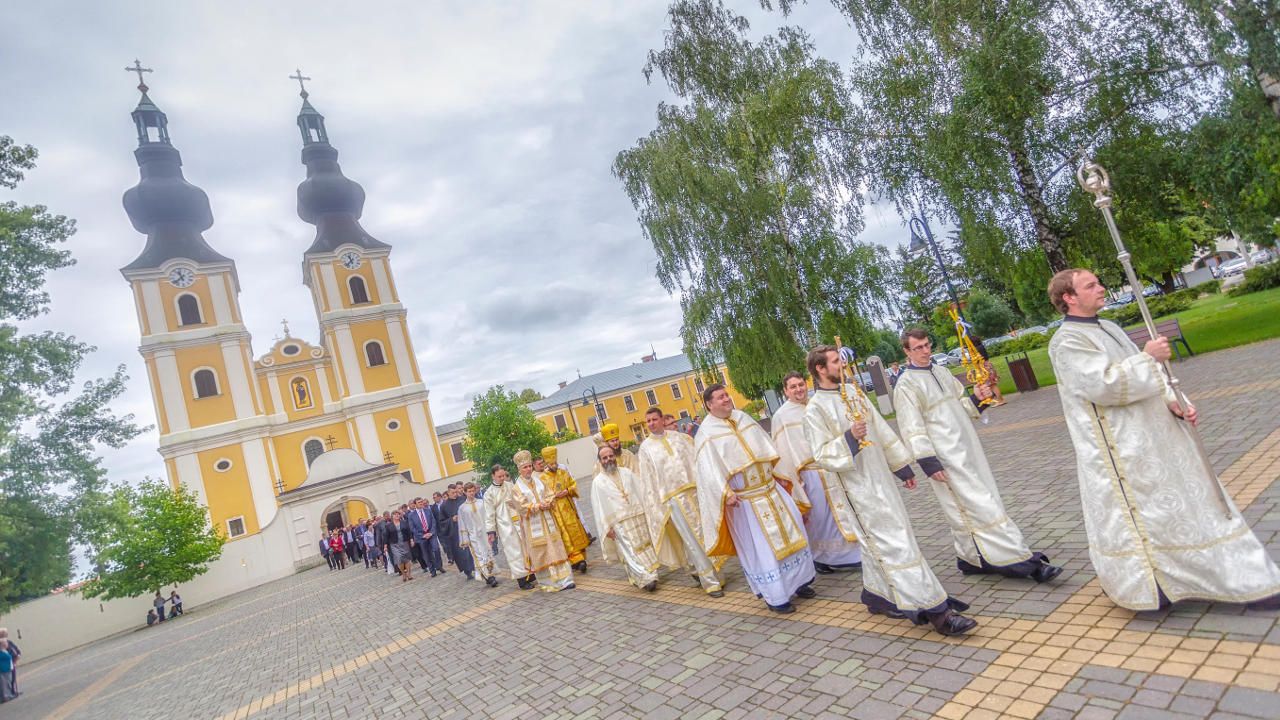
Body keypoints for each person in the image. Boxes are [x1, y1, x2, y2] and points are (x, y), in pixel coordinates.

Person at [1046, 268, 1280, 610]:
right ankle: (1156, 586)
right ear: (1069, 297)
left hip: (1158, 436)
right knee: (1148, 516)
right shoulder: (1067, 341)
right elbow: (1103, 386)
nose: (1101, 287)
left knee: (1187, 506)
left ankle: (1238, 576)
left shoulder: (1108, 327)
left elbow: (1152, 375)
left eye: (1099, 281)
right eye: (1090, 285)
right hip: (1122, 450)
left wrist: (1176, 401)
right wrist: (1147, 357)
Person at [803, 345, 978, 636]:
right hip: (857, 489)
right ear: (820, 369)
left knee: (889, 540)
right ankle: (937, 611)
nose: (842, 366)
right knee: (894, 544)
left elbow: (881, 430)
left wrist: (902, 467)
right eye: (835, 362)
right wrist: (849, 437)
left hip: (880, 479)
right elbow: (820, 454)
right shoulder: (815, 409)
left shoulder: (854, 393)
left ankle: (878, 595)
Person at [894, 328, 1063, 583]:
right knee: (981, 505)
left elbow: (959, 406)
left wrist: (978, 398)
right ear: (907, 351)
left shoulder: (941, 372)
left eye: (928, 345)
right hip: (944, 456)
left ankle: (971, 558)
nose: (926, 351)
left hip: (968, 448)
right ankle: (1023, 561)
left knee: (969, 505)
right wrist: (928, 461)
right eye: (918, 348)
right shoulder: (906, 385)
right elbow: (911, 427)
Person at [694, 384, 814, 613]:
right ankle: (776, 596)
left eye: (727, 395)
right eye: (720, 398)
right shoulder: (705, 434)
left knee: (794, 532)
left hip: (770, 490)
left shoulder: (743, 418)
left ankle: (800, 583)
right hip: (745, 503)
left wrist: (777, 475)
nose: (727, 399)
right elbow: (707, 471)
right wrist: (726, 493)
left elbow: (765, 447)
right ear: (709, 404)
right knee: (763, 549)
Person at [772, 372, 863, 575]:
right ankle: (822, 558)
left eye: (801, 385)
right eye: (793, 387)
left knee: (842, 510)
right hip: (809, 473)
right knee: (821, 517)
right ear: (785, 391)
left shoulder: (815, 404)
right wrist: (796, 482)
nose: (798, 390)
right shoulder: (782, 416)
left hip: (830, 465)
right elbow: (784, 452)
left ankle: (849, 554)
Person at [635, 406, 724, 597]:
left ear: (661, 419)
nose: (651, 423)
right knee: (691, 540)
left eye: (654, 419)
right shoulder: (645, 449)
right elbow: (648, 481)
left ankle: (710, 570)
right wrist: (657, 509)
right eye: (648, 421)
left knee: (705, 533)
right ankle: (710, 581)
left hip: (694, 491)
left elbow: (695, 459)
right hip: (672, 500)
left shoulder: (680, 438)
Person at [591, 445, 660, 592]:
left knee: (645, 546)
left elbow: (641, 491)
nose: (608, 459)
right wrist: (606, 528)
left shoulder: (627, 473)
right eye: (604, 457)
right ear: (600, 461)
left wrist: (649, 511)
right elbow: (599, 508)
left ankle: (651, 573)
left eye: (610, 456)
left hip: (637, 516)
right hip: (619, 523)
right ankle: (646, 578)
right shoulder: (598, 482)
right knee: (630, 549)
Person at [509, 449, 576, 592]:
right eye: (525, 467)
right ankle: (550, 583)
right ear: (519, 469)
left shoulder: (539, 481)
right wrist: (538, 506)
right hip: (534, 526)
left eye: (529, 466)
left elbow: (549, 494)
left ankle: (566, 580)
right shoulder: (516, 488)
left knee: (556, 547)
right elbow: (521, 506)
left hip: (548, 520)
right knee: (542, 551)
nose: (528, 469)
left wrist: (549, 501)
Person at [540, 446, 590, 573]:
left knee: (575, 531)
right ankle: (577, 560)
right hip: (556, 512)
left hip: (569, 509)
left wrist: (567, 491)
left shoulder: (563, 472)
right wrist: (555, 495)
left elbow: (573, 484)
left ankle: (579, 559)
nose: (554, 465)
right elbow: (543, 496)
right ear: (546, 463)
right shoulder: (542, 479)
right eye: (551, 463)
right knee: (565, 535)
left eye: (555, 462)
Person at [484, 464, 530, 585]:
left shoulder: (510, 485)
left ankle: (530, 574)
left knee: (524, 548)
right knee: (513, 551)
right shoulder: (489, 493)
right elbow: (489, 514)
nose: (502, 478)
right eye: (499, 476)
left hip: (518, 522)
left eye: (504, 475)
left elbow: (520, 499)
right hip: (505, 526)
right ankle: (521, 579)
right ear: (493, 476)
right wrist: (491, 531)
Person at [459, 482, 500, 587]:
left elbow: (488, 517)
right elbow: (462, 524)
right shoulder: (462, 508)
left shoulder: (482, 503)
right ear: (465, 492)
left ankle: (490, 575)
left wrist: (492, 530)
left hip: (485, 534)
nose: (471, 493)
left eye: (473, 491)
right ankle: (488, 577)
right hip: (473, 537)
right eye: (469, 491)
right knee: (479, 557)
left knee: (488, 554)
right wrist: (465, 539)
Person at [439, 485, 476, 579]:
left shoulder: (463, 499)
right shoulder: (444, 506)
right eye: (453, 493)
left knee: (472, 549)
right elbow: (442, 522)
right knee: (462, 553)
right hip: (455, 532)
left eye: (456, 492)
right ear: (448, 493)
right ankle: (468, 571)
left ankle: (476, 567)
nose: (455, 494)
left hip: (468, 528)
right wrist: (452, 519)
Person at [407, 497, 441, 577]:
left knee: (436, 549)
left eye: (422, 502)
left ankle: (439, 565)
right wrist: (422, 535)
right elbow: (412, 528)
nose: (421, 503)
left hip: (431, 534)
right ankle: (432, 570)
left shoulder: (428, 510)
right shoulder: (411, 515)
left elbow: (433, 522)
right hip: (421, 537)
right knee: (426, 554)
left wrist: (431, 532)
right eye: (419, 502)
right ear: (415, 505)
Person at [386, 510, 414, 581]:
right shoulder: (388, 525)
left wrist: (411, 539)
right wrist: (385, 546)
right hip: (394, 545)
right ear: (392, 516)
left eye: (398, 514)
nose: (397, 515)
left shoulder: (404, 523)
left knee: (407, 559)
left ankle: (409, 573)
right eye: (395, 514)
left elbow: (409, 532)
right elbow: (386, 536)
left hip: (404, 543)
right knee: (399, 559)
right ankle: (403, 574)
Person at [0, 629, 20, 699]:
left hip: (9, 666)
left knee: (11, 679)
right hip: (4, 668)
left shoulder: (8, 642)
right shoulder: (2, 644)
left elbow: (15, 650)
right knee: (5, 682)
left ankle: (13, 692)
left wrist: (17, 656)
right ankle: (8, 694)